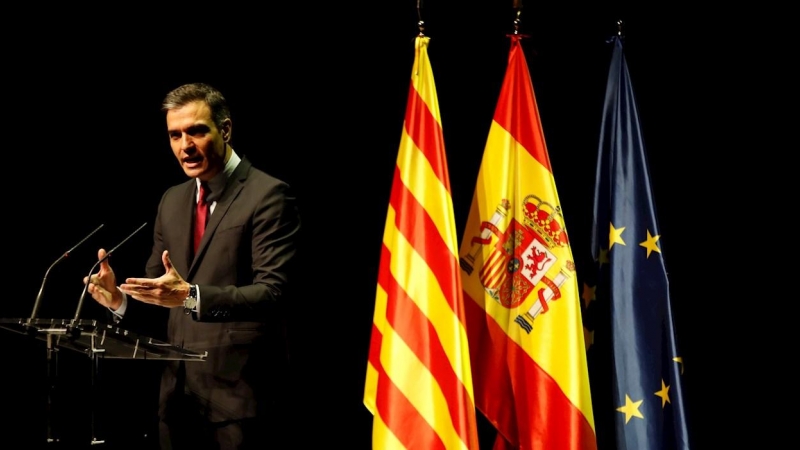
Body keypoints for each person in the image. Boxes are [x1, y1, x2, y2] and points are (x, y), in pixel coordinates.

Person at [85, 82, 301, 449]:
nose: (185, 145)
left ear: (226, 130)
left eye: (197, 131)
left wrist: (191, 296)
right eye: (175, 135)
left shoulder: (268, 195)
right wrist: (118, 300)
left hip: (241, 399)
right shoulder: (172, 200)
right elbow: (161, 294)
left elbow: (273, 292)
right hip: (178, 400)